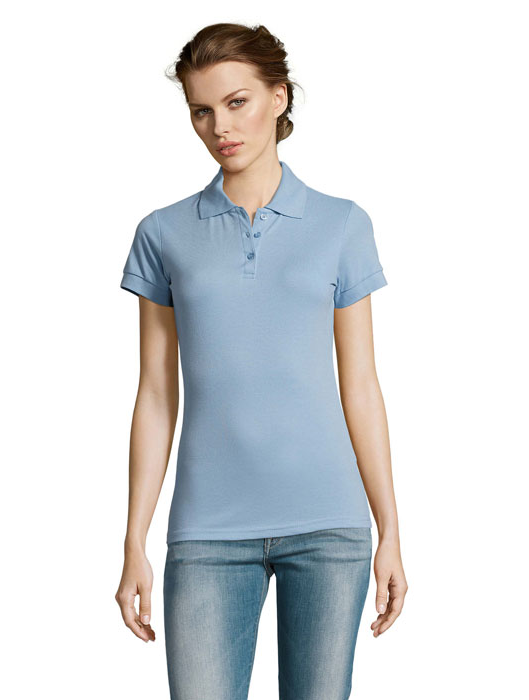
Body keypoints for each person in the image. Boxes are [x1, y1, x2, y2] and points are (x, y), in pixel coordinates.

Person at [114, 22, 408, 700]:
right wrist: (134, 540)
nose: (220, 126)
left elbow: (361, 386)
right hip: (207, 533)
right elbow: (155, 395)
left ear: (279, 97)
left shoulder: (342, 225)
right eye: (201, 110)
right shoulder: (162, 233)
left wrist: (390, 530)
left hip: (328, 526)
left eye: (237, 102)